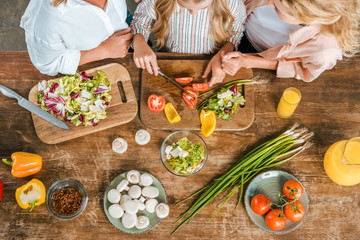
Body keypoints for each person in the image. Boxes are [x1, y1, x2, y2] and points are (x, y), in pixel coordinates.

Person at [221, 0, 360, 82]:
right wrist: (228, 42)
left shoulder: (324, 51)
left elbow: (301, 70)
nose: (267, 2)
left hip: (261, 57)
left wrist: (248, 61)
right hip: (235, 30)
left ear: (308, 17)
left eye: (276, 9)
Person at [131, 0, 246, 86]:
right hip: (170, 56)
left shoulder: (232, 3)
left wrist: (223, 54)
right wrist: (139, 41)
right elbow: (141, 20)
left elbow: (236, 31)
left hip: (212, 60)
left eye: (203, 8)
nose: (193, 13)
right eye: (184, 6)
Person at [20, 0, 132, 76]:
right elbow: (48, 63)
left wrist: (139, 38)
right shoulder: (48, 17)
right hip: (94, 66)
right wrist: (104, 50)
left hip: (131, 29)